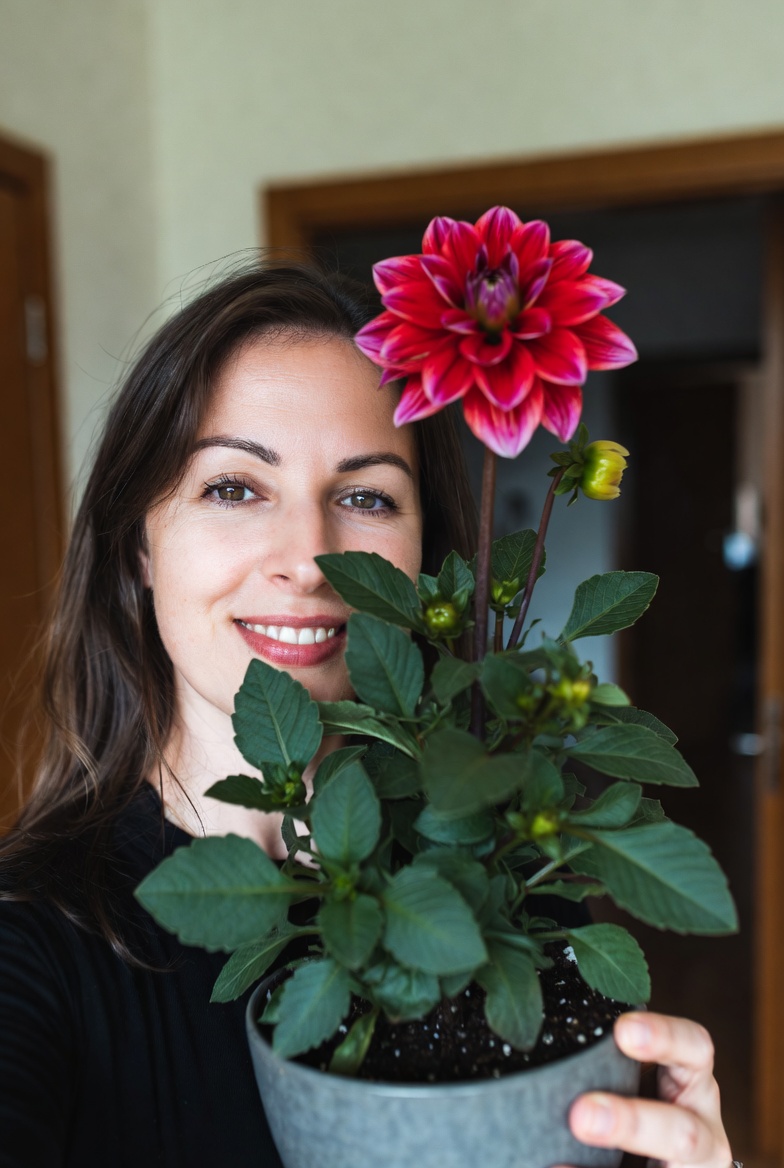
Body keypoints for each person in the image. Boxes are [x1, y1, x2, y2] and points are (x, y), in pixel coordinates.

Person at [0, 262, 736, 1168]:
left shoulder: (504, 876)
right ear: (136, 544)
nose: (310, 560)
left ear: (426, 557)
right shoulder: (28, 941)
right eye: (234, 487)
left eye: (365, 497)